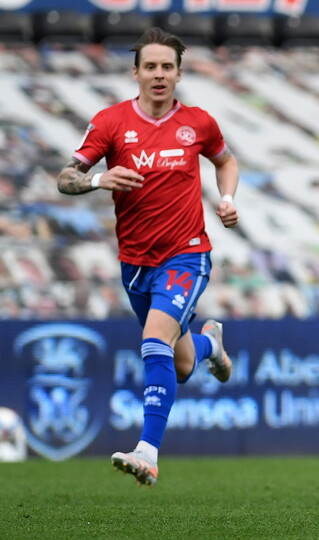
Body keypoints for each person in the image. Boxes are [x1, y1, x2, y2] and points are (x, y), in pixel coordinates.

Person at [57, 27, 240, 487]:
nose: (159, 75)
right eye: (150, 66)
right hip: (135, 263)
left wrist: (228, 198)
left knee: (154, 339)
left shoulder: (199, 123)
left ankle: (147, 451)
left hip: (186, 255)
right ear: (135, 72)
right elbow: (65, 177)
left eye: (167, 67)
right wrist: (100, 180)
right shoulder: (110, 122)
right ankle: (209, 344)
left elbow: (225, 161)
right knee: (178, 364)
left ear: (179, 74)